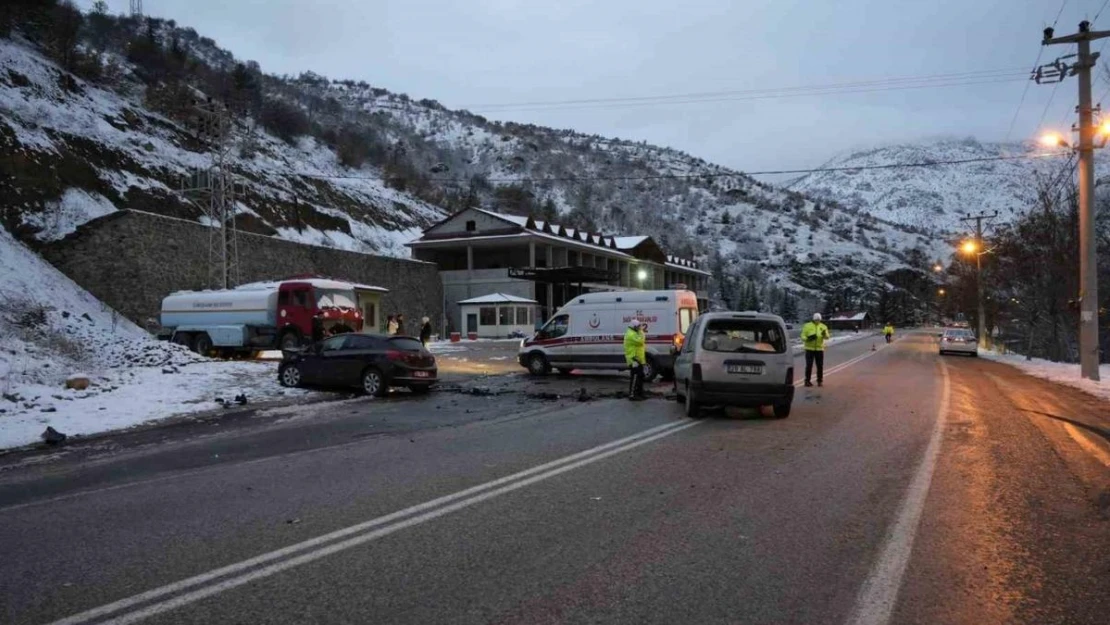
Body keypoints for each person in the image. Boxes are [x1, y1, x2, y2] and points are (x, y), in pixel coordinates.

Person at [801, 313, 830, 387]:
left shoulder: (823, 326)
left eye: (819, 320)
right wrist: (807, 339)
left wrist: (824, 335)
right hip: (809, 349)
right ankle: (807, 381)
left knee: (820, 366)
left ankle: (819, 381)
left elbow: (827, 337)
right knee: (809, 366)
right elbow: (802, 336)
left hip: (819, 349)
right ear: (813, 319)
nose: (818, 321)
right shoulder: (807, 326)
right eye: (816, 320)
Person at [623, 319, 647, 401]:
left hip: (637, 359)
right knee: (635, 377)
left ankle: (640, 393)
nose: (639, 328)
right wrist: (642, 332)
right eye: (638, 327)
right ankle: (632, 394)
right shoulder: (631, 334)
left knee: (640, 377)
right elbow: (641, 341)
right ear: (634, 327)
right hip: (633, 359)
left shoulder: (634, 333)